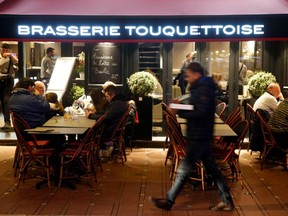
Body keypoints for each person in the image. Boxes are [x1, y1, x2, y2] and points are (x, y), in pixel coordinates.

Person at [149, 61, 234, 211]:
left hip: (199, 135)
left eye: (188, 76)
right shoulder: (202, 88)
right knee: (212, 170)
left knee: (184, 171)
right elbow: (196, 107)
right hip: (202, 134)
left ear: (196, 74)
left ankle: (169, 201)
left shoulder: (202, 89)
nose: (186, 78)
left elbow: (199, 112)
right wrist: (179, 106)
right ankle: (227, 200)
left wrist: (179, 111)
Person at [0, 43, 18, 130]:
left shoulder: (11, 56)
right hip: (0, 79)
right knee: (2, 101)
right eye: (3, 50)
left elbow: (17, 61)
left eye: (7, 50)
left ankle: (7, 122)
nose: (5, 52)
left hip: (8, 80)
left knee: (6, 101)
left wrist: (10, 54)